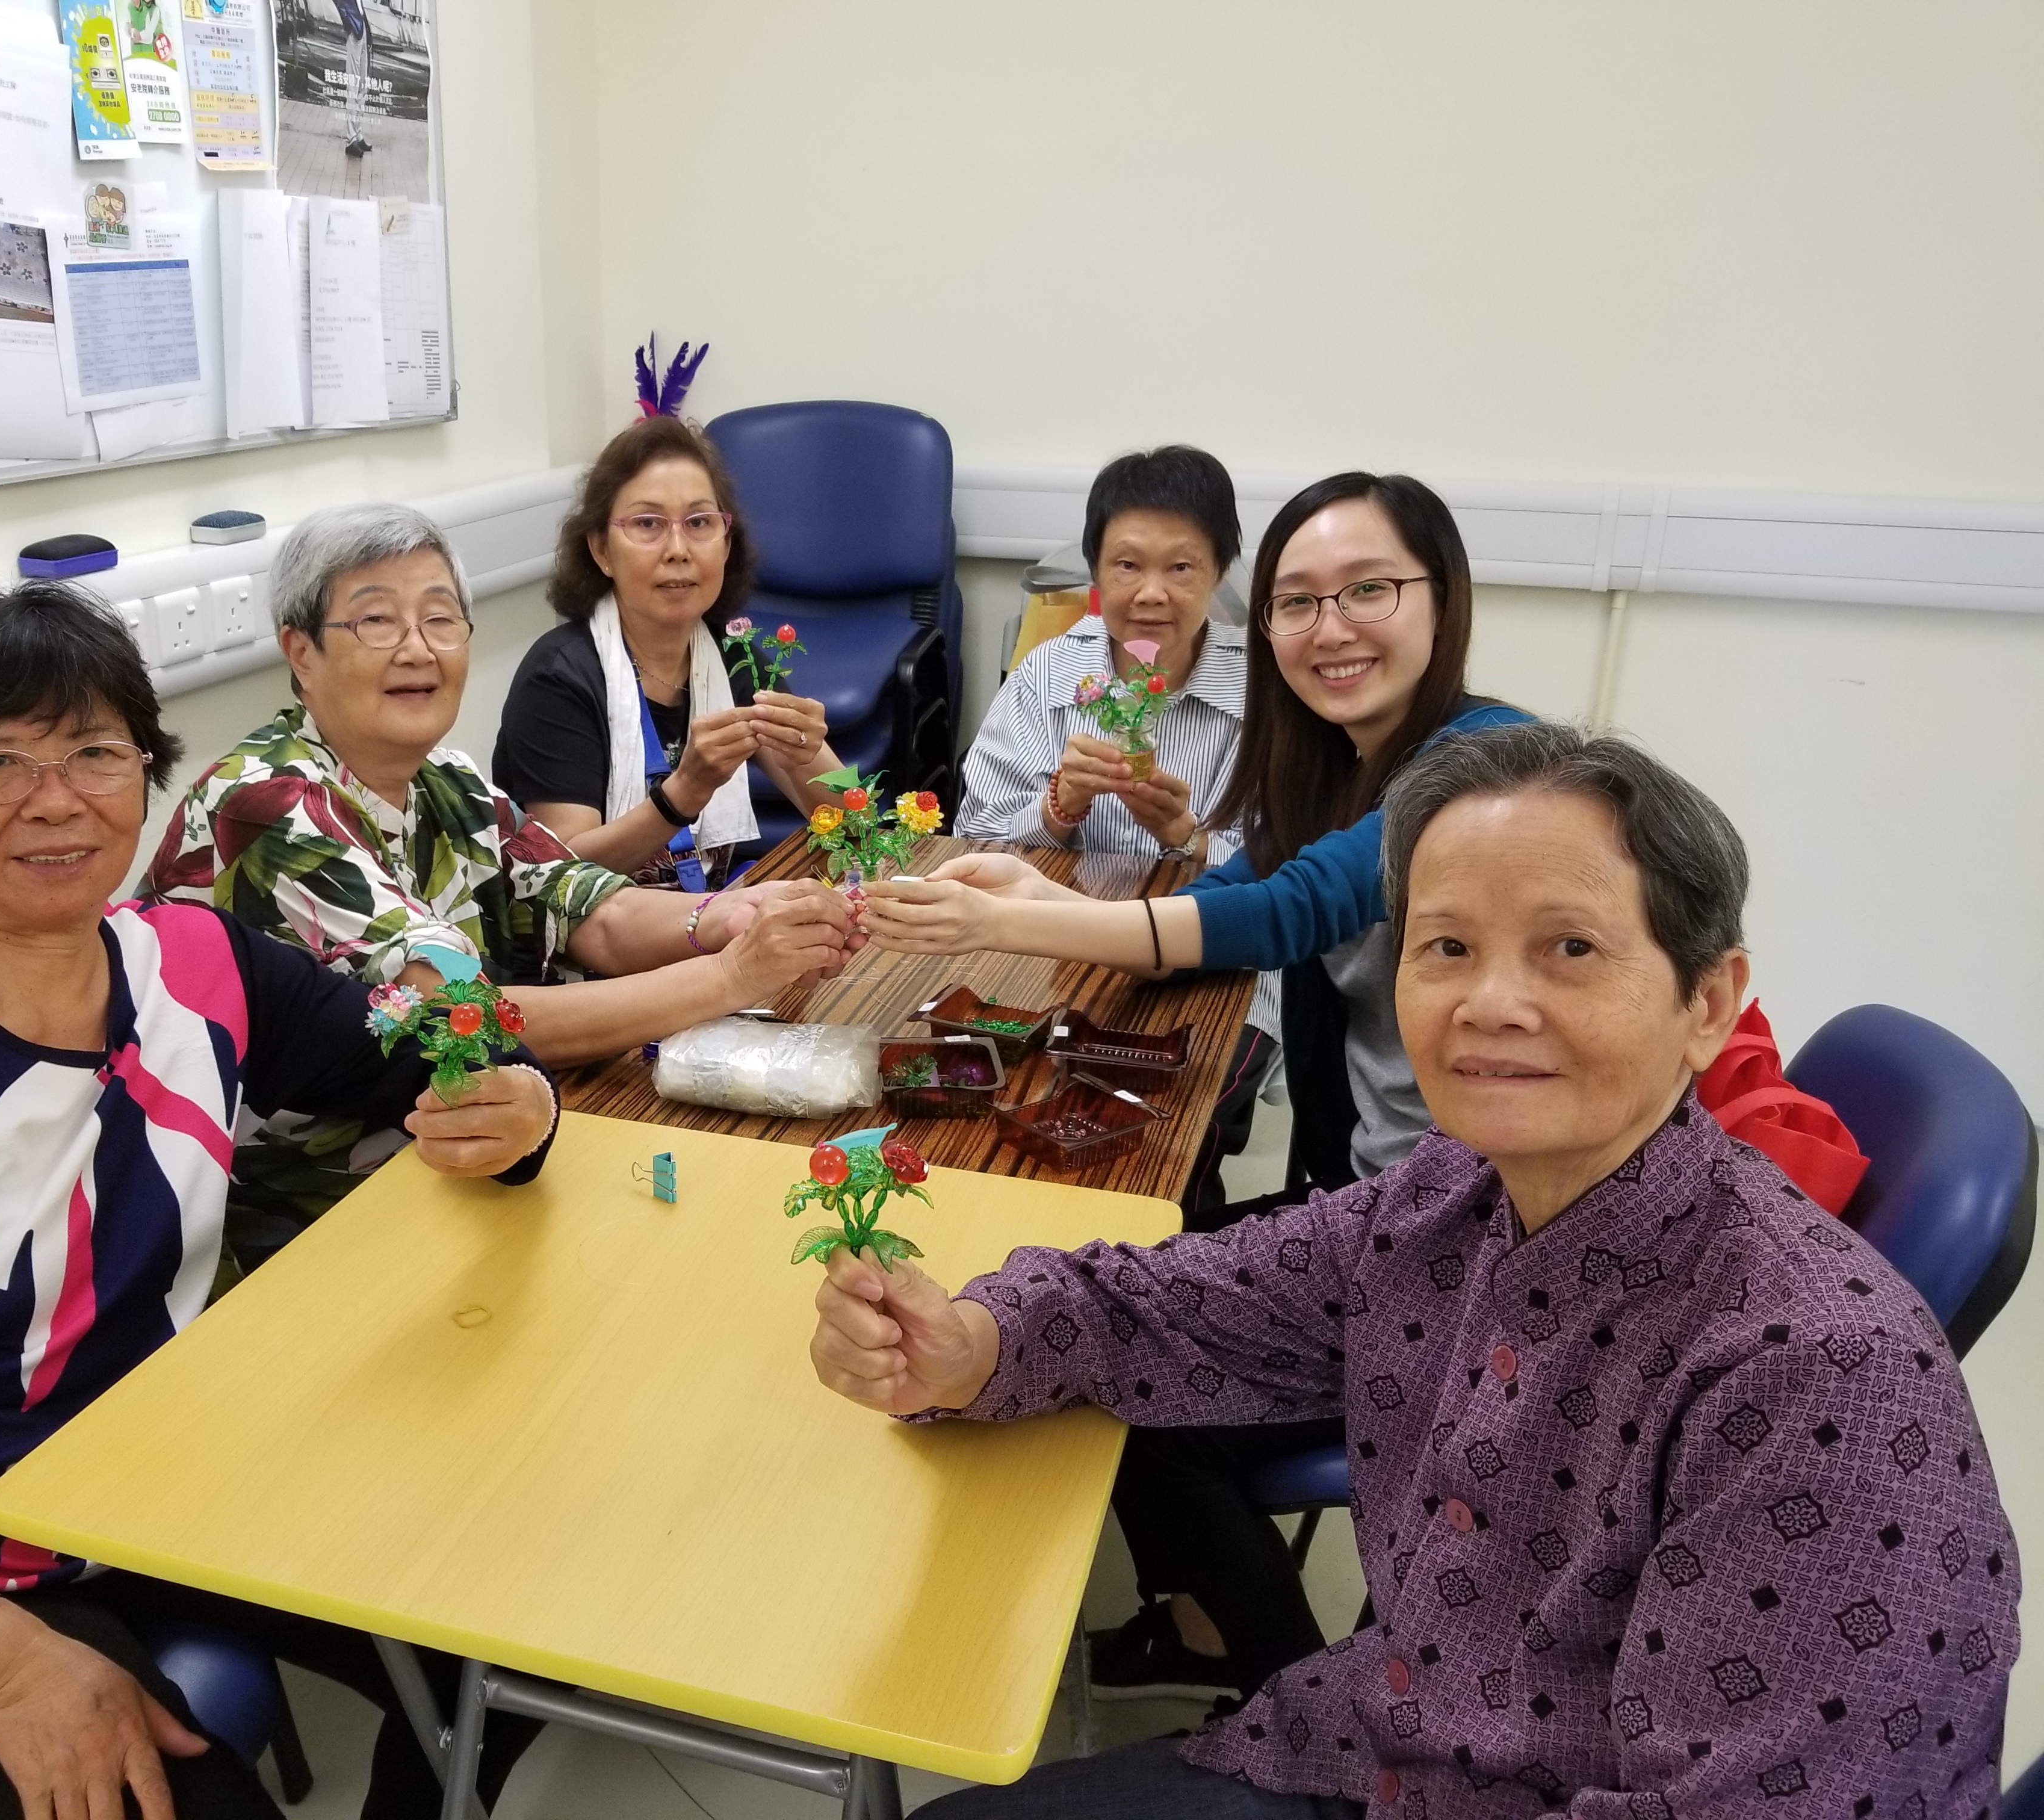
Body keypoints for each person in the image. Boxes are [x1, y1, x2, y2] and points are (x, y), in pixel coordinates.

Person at [817, 722, 2018, 1819]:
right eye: (1447, 945)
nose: (1492, 1003)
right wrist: (972, 1341)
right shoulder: (1454, 1192)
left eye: (1571, 948)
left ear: (1708, 1003)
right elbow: (1192, 1302)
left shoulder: (1821, 1376)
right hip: (1376, 1743)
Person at [0, 582, 556, 1820]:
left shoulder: (194, 961)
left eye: (95, 752)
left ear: (147, 772)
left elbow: (429, 1060)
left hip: (129, 1482)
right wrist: (2, 1653)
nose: (56, 798)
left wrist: (521, 1111)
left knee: (502, 1633)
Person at [863, 472, 1531, 1701]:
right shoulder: (1335, 759)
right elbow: (1239, 884)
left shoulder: (1482, 766)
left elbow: (1285, 912)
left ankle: (1309, 1712)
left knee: (1112, 1383)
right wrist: (1047, 890)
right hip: (1392, 1206)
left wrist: (1037, 905)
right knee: (1118, 1283)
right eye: (1301, 602)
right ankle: (1222, 1636)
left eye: (1368, 591)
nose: (1330, 629)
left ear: (1444, 599)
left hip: (1481, 1245)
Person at [148, 503, 853, 1266]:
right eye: (377, 622)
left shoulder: (448, 780)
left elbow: (590, 911)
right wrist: (731, 974)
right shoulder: (265, 806)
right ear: (302, 652)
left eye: (441, 619)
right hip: (299, 1226)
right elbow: (461, 1019)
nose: (418, 649)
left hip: (458, 1170)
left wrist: (727, 914)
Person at [955, 443, 1280, 1189]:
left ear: (1221, 572)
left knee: (1164, 1150)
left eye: (1182, 567)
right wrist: (1058, 809)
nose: (1152, 593)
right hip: (1052, 955)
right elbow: (975, 832)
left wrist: (1189, 837)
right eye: (1128, 565)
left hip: (1212, 976)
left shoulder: (1268, 693)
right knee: (1005, 1113)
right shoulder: (1049, 673)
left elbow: (1292, 873)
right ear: (1097, 570)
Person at [494, 413, 847, 891]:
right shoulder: (559, 677)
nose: (678, 549)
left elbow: (854, 824)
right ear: (601, 550)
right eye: (648, 524)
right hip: (590, 951)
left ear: (726, 545)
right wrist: (683, 793)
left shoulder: (734, 662)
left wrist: (810, 755)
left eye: (700, 522)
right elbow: (562, 876)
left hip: (699, 924)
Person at [333, 0, 370, 155]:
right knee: (353, 86)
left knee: (363, 85)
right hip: (354, 29)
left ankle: (358, 133)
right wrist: (348, 21)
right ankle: (351, 138)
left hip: (362, 27)